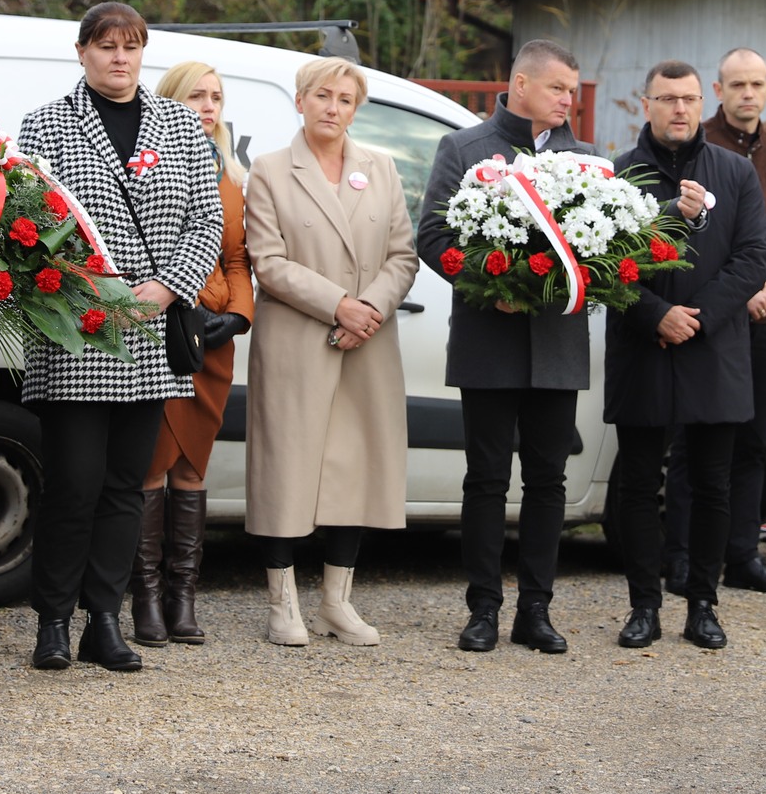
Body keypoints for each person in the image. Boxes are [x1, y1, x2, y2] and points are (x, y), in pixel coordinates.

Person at [14, 3, 224, 672]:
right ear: (81, 52)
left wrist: (166, 288)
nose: (119, 57)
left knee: (124, 486)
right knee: (73, 483)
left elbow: (206, 219)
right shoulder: (44, 123)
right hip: (76, 328)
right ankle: (52, 619)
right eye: (105, 46)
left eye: (131, 46)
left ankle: (103, 619)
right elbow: (28, 222)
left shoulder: (182, 124)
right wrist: (91, 290)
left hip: (153, 325)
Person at [418, 39, 595, 654]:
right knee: (487, 479)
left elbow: (602, 248)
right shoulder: (464, 149)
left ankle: (536, 610)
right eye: (557, 89)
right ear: (521, 85)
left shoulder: (586, 161)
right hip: (488, 339)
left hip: (557, 342)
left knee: (548, 481)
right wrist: (487, 284)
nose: (568, 100)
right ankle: (483, 609)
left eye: (571, 90)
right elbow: (434, 234)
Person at [244, 57, 419, 646]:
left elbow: (403, 255)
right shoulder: (269, 170)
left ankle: (337, 604)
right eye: (323, 96)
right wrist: (339, 305)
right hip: (299, 342)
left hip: (365, 345)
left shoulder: (382, 167)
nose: (333, 108)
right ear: (300, 100)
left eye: (346, 99)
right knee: (286, 472)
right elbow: (267, 262)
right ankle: (282, 605)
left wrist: (366, 310)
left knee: (354, 470)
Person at [608, 60, 766, 650]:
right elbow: (601, 263)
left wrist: (695, 319)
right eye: (668, 98)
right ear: (645, 103)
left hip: (714, 348)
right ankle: (643, 605)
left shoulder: (735, 172)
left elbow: (753, 258)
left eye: (690, 98)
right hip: (642, 345)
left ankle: (703, 603)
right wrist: (656, 314)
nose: (680, 109)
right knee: (638, 484)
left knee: (712, 484)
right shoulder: (616, 175)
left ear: (706, 103)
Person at [130, 62, 254, 647]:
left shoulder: (229, 173)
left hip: (213, 341)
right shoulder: (156, 163)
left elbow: (238, 259)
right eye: (196, 96)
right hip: (163, 332)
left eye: (216, 96)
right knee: (153, 463)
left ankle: (184, 598)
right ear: (170, 102)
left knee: (192, 469)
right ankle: (146, 599)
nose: (208, 106)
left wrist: (240, 315)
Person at [669, 46, 766, 598]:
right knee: (691, 440)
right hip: (710, 318)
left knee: (751, 441)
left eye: (757, 84)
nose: (748, 93)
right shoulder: (697, 150)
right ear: (717, 92)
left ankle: (742, 553)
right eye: (736, 84)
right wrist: (741, 289)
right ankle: (679, 559)